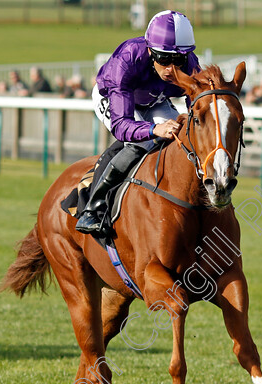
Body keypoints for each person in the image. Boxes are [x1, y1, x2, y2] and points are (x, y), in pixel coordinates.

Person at [74, 10, 201, 233]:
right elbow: (121, 126)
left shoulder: (190, 64)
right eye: (164, 59)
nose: (171, 69)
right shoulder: (127, 59)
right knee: (142, 142)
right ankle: (93, 208)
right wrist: (154, 128)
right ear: (150, 51)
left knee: (180, 137)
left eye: (178, 59)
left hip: (154, 100)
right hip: (114, 97)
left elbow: (198, 109)